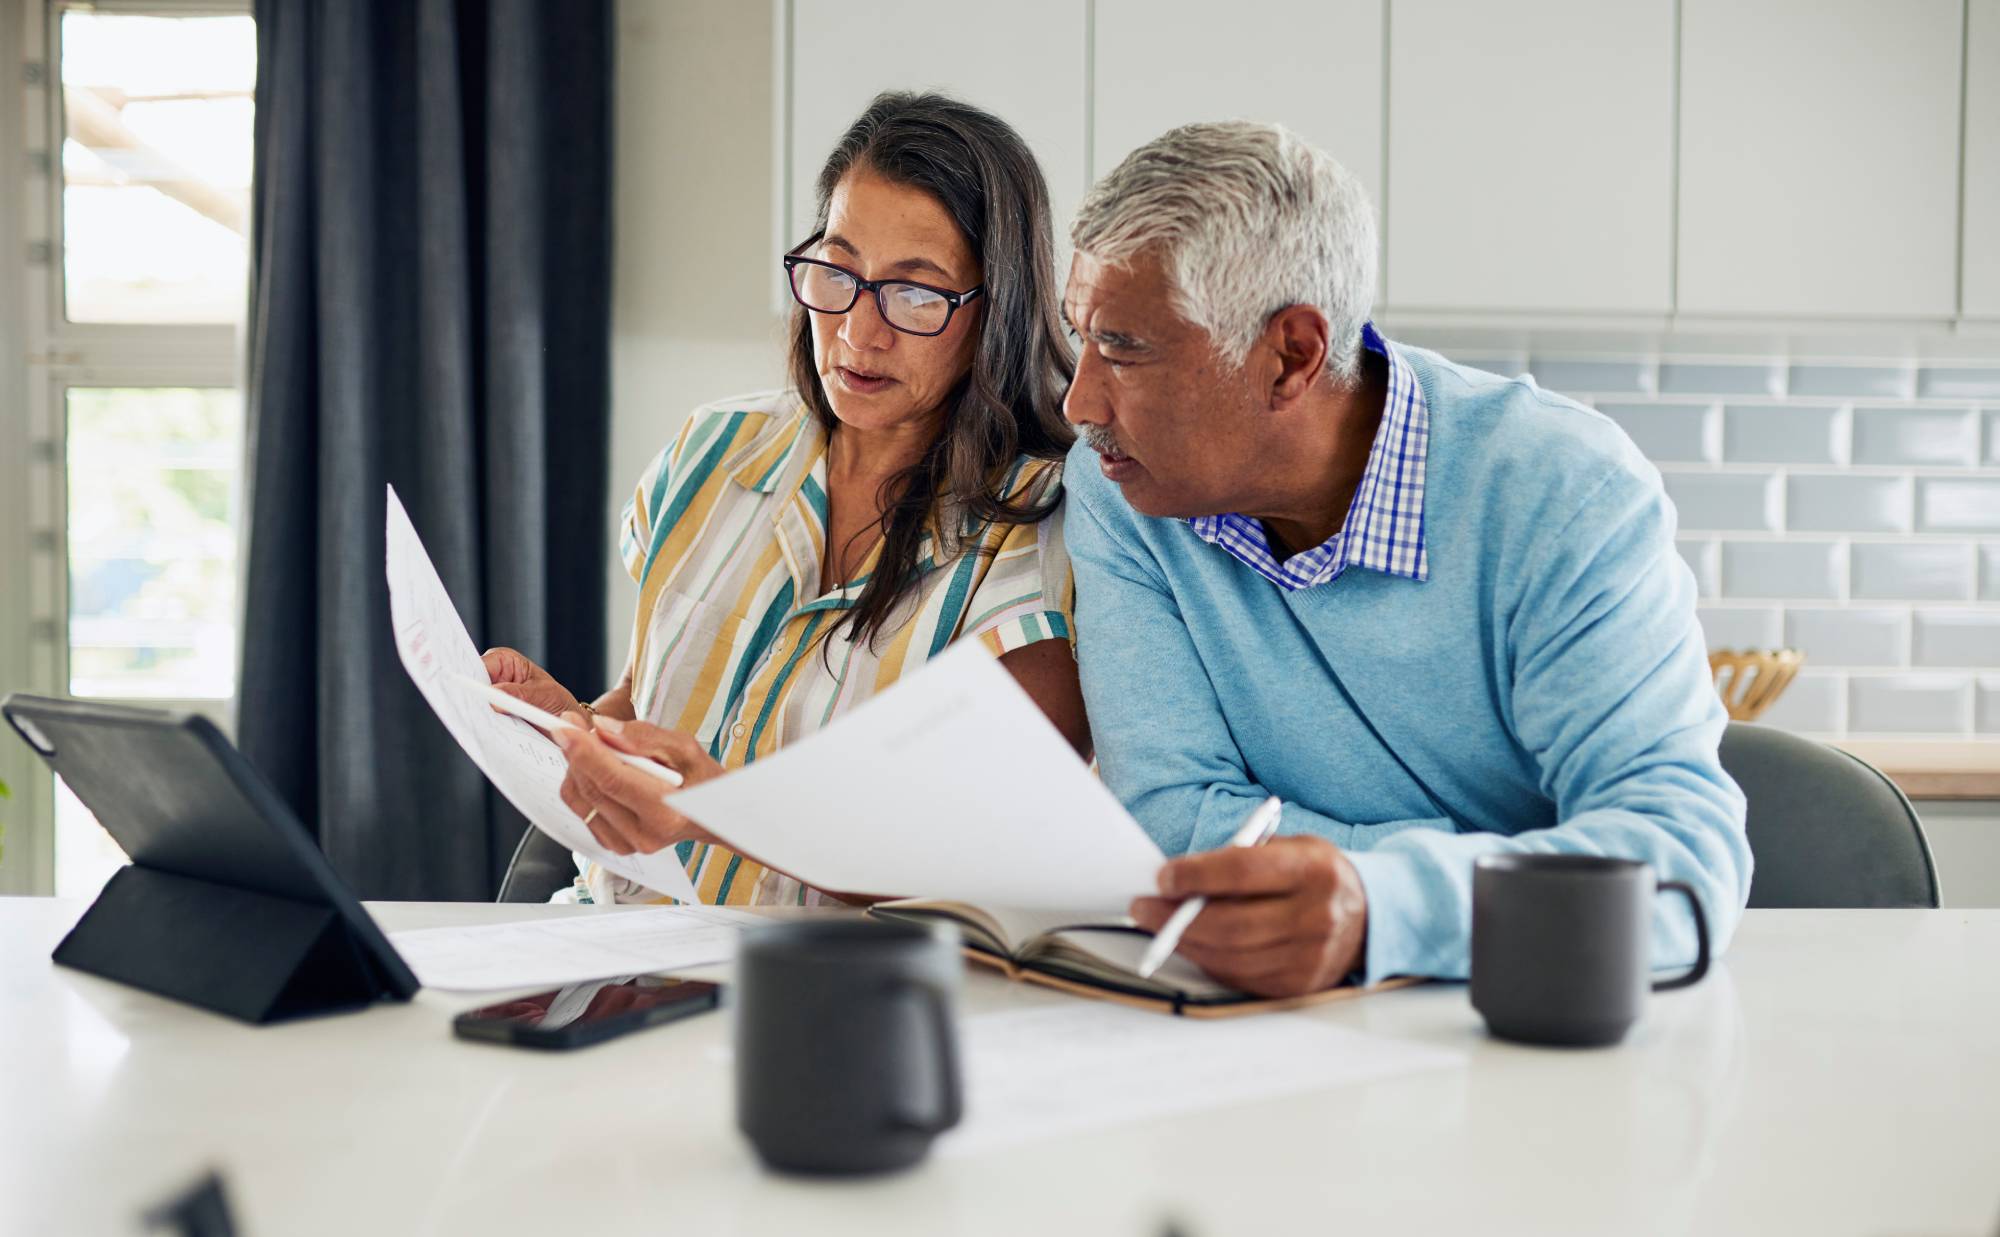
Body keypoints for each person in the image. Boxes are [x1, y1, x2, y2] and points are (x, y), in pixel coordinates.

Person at [1059, 121, 1751, 997]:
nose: (1081, 400)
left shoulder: (1562, 491)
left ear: (1291, 357)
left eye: (1124, 349)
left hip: (1533, 1024)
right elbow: (1173, 824)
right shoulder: (1121, 487)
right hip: (1275, 1032)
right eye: (1080, 336)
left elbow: (1679, 861)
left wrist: (1381, 907)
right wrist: (1488, 880)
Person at [485, 92, 1085, 905]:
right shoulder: (713, 451)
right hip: (606, 953)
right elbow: (652, 695)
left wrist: (717, 812)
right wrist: (576, 728)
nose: (858, 333)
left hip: (825, 998)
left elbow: (978, 853)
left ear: (996, 310)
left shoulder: (1048, 540)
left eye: (916, 295)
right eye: (838, 272)